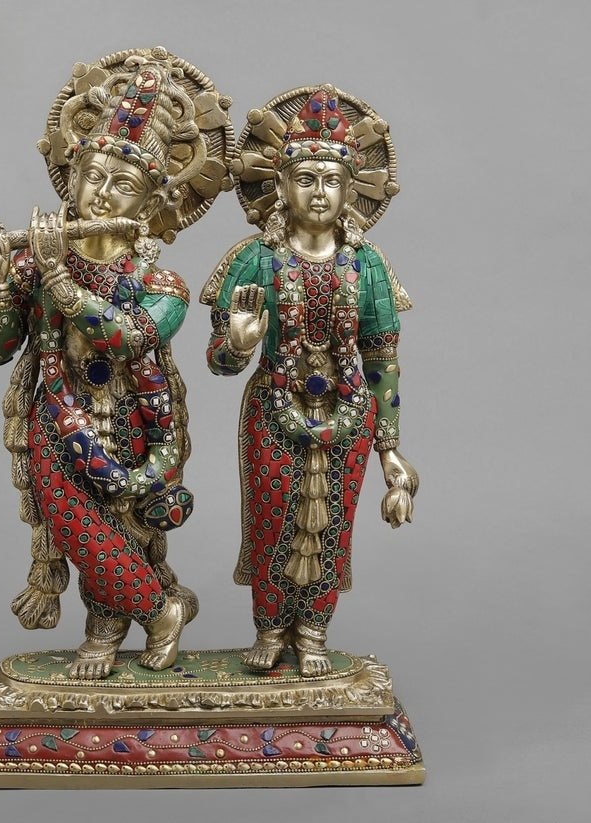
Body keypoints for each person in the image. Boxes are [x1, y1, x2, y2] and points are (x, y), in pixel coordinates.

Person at [0, 57, 209, 679]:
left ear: (150, 204)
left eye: (122, 184)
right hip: (56, 410)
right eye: (93, 176)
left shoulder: (162, 283)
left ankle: (108, 631)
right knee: (74, 521)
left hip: (135, 414)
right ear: (71, 178)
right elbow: (0, 348)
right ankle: (158, 610)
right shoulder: (34, 263)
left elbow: (127, 339)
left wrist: (56, 275)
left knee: (125, 525)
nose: (101, 194)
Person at [203, 85, 418, 677]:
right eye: (305, 179)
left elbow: (383, 359)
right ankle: (271, 628)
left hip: (350, 413)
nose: (318, 192)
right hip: (273, 410)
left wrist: (390, 451)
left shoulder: (366, 265)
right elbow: (219, 361)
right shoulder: (254, 260)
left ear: (350, 192)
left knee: (332, 526)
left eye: (331, 181)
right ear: (280, 186)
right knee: (272, 521)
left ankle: (314, 630)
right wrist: (238, 343)